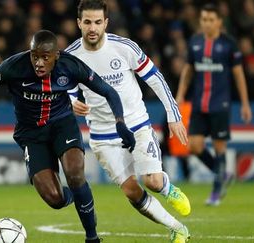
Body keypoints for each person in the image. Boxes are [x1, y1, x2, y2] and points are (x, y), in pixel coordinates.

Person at [0, 29, 135, 243]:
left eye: (45, 57)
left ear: (56, 56)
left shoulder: (70, 66)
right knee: (54, 199)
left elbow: (108, 91)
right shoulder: (14, 66)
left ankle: (92, 236)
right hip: (31, 134)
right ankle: (79, 198)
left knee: (75, 174)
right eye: (35, 56)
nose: (39, 63)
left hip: (63, 125)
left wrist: (120, 123)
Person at [66, 1, 191, 242]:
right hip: (102, 135)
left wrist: (174, 115)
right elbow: (65, 87)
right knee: (132, 192)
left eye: (98, 22)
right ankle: (177, 228)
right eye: (88, 22)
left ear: (106, 23)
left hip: (136, 125)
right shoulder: (71, 57)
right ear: (79, 23)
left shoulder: (124, 48)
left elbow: (155, 79)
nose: (93, 28)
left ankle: (168, 188)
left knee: (152, 182)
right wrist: (72, 101)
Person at [176, 3, 252, 206]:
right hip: (199, 103)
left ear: (219, 21)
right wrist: (180, 94)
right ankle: (223, 175)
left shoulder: (229, 44)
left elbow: (238, 75)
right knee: (194, 146)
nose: (207, 23)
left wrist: (245, 104)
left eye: (211, 19)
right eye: (203, 19)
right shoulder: (195, 42)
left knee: (220, 148)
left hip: (221, 104)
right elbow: (188, 70)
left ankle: (216, 192)